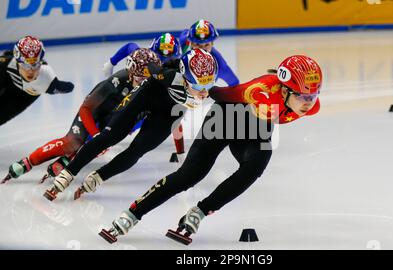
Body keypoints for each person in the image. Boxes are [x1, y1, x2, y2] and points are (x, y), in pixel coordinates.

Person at [98, 55, 323, 244]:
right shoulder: (259, 90)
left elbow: (279, 114)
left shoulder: (310, 106)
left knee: (256, 165)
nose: (308, 103)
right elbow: (221, 94)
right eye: (303, 96)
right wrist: (188, 84)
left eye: (312, 96)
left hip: (256, 127)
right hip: (227, 116)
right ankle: (132, 213)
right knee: (190, 175)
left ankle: (199, 212)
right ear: (284, 90)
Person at [44, 48, 219, 201]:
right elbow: (152, 68)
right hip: (147, 96)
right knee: (109, 137)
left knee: (137, 151)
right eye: (197, 85)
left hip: (168, 114)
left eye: (209, 84)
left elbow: (229, 93)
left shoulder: (205, 84)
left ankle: (98, 177)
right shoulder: (169, 76)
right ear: (185, 77)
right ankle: (69, 172)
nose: (204, 92)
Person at [1, 48, 158, 184]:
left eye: (148, 79)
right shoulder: (116, 81)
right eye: (140, 79)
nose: (144, 83)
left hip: (114, 116)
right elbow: (86, 109)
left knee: (98, 144)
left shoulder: (152, 87)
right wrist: (96, 135)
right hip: (92, 112)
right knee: (72, 143)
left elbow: (141, 117)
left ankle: (68, 159)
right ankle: (28, 162)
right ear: (131, 72)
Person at [102, 33, 187, 160]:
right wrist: (111, 62)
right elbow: (131, 47)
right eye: (159, 57)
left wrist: (112, 62)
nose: (162, 62)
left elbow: (174, 119)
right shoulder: (145, 57)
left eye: (169, 59)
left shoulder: (171, 73)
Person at [0, 36, 74, 126]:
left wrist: (59, 86)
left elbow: (69, 87)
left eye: (35, 65)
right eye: (26, 65)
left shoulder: (47, 79)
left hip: (24, 97)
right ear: (17, 62)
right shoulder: (4, 64)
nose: (31, 70)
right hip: (6, 79)